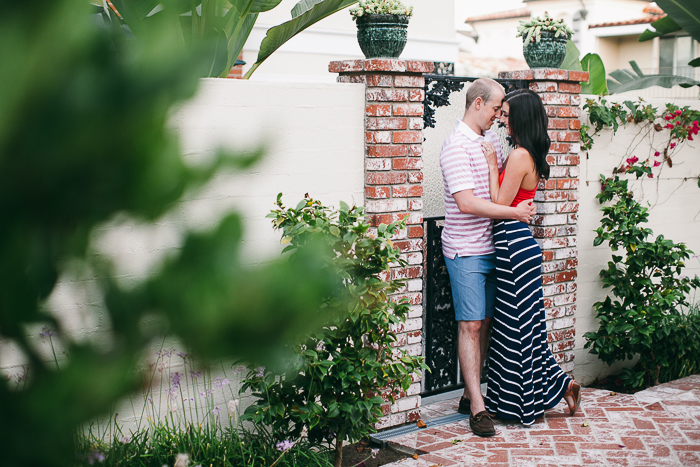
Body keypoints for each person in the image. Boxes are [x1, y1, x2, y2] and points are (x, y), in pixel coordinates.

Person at [439, 78, 538, 438]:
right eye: (496, 109)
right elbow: (466, 204)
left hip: (497, 247)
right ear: (478, 103)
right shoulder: (454, 148)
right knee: (471, 325)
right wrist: (515, 213)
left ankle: (471, 393)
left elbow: (504, 188)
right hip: (465, 250)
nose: (499, 116)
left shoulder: (492, 140)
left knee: (489, 323)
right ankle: (479, 410)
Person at [480, 88, 582, 426]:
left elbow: (499, 204)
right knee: (529, 327)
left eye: (507, 115)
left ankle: (518, 405)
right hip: (520, 245)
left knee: (515, 328)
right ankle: (562, 386)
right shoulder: (531, 155)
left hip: (512, 245)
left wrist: (493, 163)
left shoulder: (519, 156)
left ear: (522, 118)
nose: (503, 121)